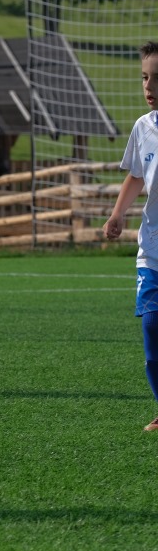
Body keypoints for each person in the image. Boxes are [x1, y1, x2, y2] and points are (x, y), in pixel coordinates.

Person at [104, 40, 158, 431]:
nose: (148, 86)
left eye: (156, 78)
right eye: (144, 77)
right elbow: (136, 176)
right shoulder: (144, 127)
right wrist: (118, 213)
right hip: (152, 251)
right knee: (152, 328)